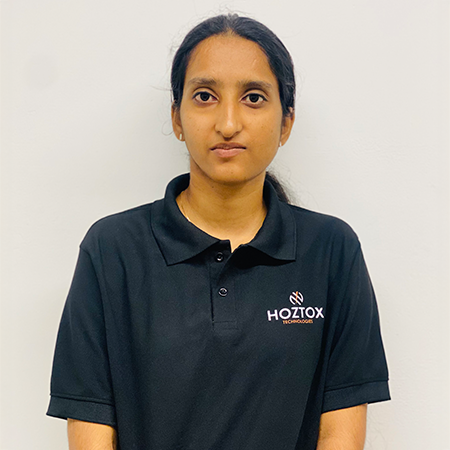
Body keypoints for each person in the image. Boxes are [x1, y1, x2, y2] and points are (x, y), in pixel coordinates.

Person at [47, 13, 390, 450]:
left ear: (286, 122)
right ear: (177, 118)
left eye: (253, 97)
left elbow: (340, 432)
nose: (228, 123)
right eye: (205, 96)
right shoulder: (112, 251)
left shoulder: (332, 252)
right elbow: (91, 429)